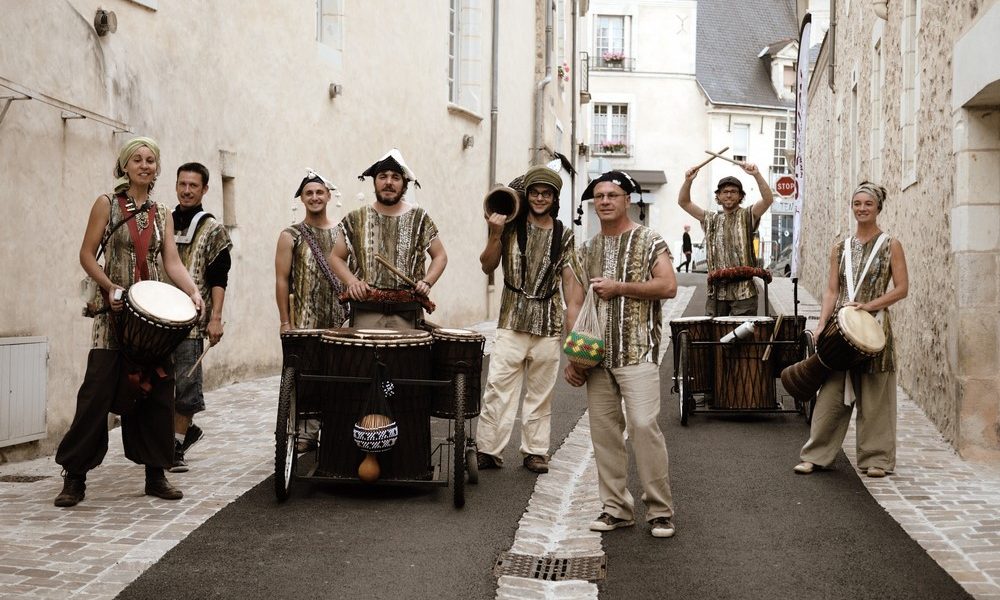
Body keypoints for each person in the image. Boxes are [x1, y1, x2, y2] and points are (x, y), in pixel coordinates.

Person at [54, 137, 204, 507]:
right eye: (137, 159)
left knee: (155, 394)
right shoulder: (106, 203)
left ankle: (156, 473)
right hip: (114, 314)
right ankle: (74, 476)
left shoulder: (163, 211)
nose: (144, 165)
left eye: (151, 159)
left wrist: (193, 292)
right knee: (96, 394)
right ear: (125, 165)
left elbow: (171, 261)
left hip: (153, 319)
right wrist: (109, 288)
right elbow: (87, 255)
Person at [564, 171, 678, 539]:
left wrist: (621, 288)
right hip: (597, 359)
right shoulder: (584, 251)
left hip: (638, 350)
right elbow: (574, 304)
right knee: (604, 434)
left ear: (628, 199)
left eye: (613, 195)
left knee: (644, 427)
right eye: (599, 196)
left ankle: (659, 510)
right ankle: (616, 509)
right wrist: (576, 358)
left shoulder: (649, 241)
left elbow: (668, 286)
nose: (605, 201)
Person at [794, 182, 908, 478]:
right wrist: (821, 325)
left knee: (876, 398)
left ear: (878, 207)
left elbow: (902, 289)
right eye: (857, 203)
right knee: (831, 393)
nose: (861, 208)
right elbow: (832, 290)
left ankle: (877, 460)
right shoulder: (840, 247)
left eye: (867, 204)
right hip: (840, 331)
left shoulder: (891, 244)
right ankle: (816, 455)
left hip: (875, 329)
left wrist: (870, 305)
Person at [475, 166, 583, 474]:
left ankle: (535, 451)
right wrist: (495, 233)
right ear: (528, 195)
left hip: (548, 324)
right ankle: (488, 450)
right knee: (498, 387)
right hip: (512, 320)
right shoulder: (509, 226)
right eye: (534, 193)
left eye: (545, 194)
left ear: (554, 198)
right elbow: (487, 266)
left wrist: (572, 331)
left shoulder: (565, 234)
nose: (539, 198)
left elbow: (570, 285)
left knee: (541, 392)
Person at [331, 148, 447, 329]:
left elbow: (440, 256)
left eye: (395, 177)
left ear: (404, 184)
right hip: (365, 310)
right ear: (375, 182)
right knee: (365, 358)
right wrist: (352, 282)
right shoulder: (356, 218)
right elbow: (336, 257)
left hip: (407, 312)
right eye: (383, 176)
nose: (388, 182)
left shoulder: (420, 218)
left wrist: (427, 282)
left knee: (406, 358)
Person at [275, 169, 348, 452]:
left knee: (339, 375)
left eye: (320, 192)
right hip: (305, 321)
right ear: (301, 199)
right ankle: (305, 432)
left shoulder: (343, 232)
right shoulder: (290, 235)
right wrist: (284, 320)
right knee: (305, 377)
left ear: (328, 196)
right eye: (309, 193)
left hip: (339, 319)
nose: (315, 197)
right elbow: (282, 280)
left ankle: (336, 428)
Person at [168, 162, 232, 473]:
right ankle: (178, 435)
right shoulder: (162, 222)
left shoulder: (213, 229)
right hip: (159, 320)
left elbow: (219, 277)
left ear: (205, 189)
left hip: (193, 323)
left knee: (186, 385)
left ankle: (177, 444)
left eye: (194, 185)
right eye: (183, 184)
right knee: (158, 385)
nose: (187, 190)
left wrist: (215, 319)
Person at [677, 162, 774, 316]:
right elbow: (684, 202)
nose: (729, 195)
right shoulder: (710, 218)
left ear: (741, 196)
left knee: (743, 337)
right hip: (716, 292)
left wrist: (756, 174)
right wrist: (688, 181)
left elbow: (768, 200)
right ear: (718, 196)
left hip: (744, 292)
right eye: (724, 191)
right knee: (714, 338)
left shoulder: (748, 215)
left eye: (734, 191)